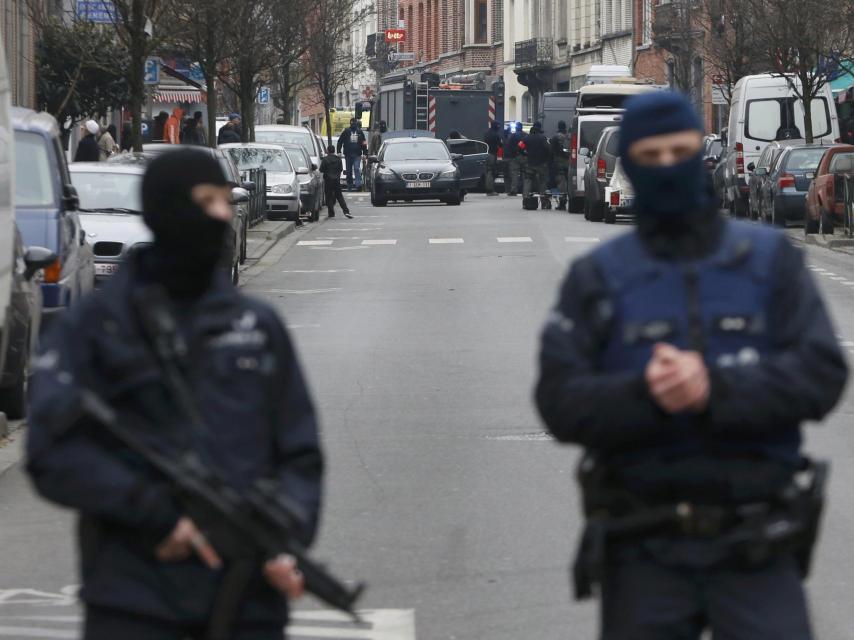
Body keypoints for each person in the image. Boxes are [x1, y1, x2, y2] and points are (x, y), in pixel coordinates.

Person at [535, 91, 848, 640]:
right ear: (629, 164)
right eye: (650, 158)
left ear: (701, 157)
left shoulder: (767, 260)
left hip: (756, 541)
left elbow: (821, 373)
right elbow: (559, 400)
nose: (666, 169)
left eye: (679, 152)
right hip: (643, 545)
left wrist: (716, 389)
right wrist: (645, 394)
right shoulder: (600, 277)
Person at [26, 147, 323, 640]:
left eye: (226, 202)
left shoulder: (255, 325)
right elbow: (53, 450)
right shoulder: (98, 327)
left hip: (248, 598)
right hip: (136, 598)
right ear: (168, 208)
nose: (223, 215)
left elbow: (299, 451)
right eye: (207, 201)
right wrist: (154, 514)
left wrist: (285, 537)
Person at [518, 121, 551, 209]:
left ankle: (526, 200)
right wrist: (546, 158)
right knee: (542, 182)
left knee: (528, 181)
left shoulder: (526, 138)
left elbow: (519, 147)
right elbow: (548, 149)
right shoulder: (542, 138)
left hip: (530, 163)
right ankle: (544, 202)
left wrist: (525, 154)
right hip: (541, 164)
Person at [319, 145, 353, 219]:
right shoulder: (338, 159)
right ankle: (346, 211)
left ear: (327, 151)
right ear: (334, 150)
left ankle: (331, 212)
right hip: (336, 180)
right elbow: (340, 169)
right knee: (339, 196)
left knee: (328, 196)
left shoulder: (325, 159)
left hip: (328, 180)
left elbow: (321, 169)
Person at [336, 118, 367, 191]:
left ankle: (358, 185)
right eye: (352, 123)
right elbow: (340, 141)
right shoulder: (346, 131)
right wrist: (338, 151)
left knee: (357, 168)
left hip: (357, 154)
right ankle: (349, 185)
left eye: (354, 123)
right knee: (349, 171)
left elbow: (364, 142)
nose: (353, 124)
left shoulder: (360, 132)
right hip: (348, 154)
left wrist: (365, 153)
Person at [550, 120, 571, 210]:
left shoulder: (556, 137)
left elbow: (550, 151)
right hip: (570, 162)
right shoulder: (570, 136)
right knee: (569, 183)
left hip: (559, 162)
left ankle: (562, 203)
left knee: (561, 182)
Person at [504, 123, 525, 197]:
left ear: (516, 128)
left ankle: (513, 190)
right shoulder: (525, 135)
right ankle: (525, 190)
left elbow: (508, 145)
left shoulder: (513, 135)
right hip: (524, 157)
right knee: (525, 174)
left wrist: (513, 153)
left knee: (514, 174)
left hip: (515, 157)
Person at [483, 121, 503, 196]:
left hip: (486, 154)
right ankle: (490, 190)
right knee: (491, 172)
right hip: (492, 154)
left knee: (488, 171)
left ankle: (489, 189)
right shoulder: (496, 135)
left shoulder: (486, 133)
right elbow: (500, 145)